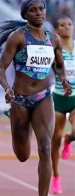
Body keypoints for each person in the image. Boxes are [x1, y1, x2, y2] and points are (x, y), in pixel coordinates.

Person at [0, 0, 72, 196]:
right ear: (25, 14)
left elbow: (59, 67)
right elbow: (1, 69)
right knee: (23, 155)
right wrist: (7, 88)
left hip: (43, 97)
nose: (38, 13)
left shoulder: (53, 39)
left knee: (45, 147)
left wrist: (63, 80)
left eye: (41, 9)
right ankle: (18, 125)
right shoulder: (17, 37)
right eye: (33, 10)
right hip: (20, 99)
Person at [50, 15, 75, 194]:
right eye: (62, 25)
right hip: (59, 97)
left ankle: (70, 139)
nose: (67, 27)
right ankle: (56, 177)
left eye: (69, 24)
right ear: (57, 30)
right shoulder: (54, 50)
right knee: (55, 140)